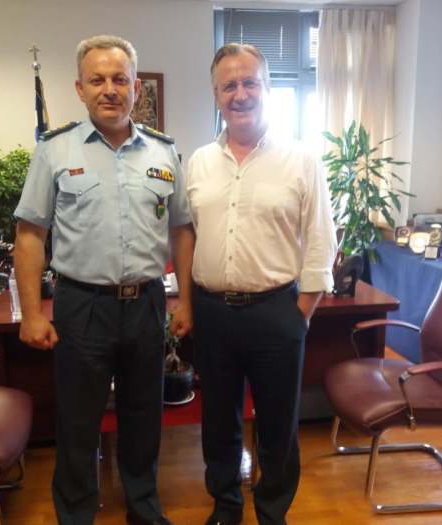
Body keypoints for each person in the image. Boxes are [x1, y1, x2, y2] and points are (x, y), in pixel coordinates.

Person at [13, 35, 194, 525]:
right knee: (78, 420)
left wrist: (186, 301)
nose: (109, 89)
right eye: (97, 80)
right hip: (81, 304)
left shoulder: (163, 152)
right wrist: (31, 313)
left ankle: (144, 509)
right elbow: (30, 235)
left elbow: (181, 229)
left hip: (147, 303)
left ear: (136, 88)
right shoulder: (54, 151)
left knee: (144, 416)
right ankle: (75, 514)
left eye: (120, 79)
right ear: (80, 88)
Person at [186, 43, 337, 525]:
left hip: (277, 312)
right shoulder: (198, 162)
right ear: (216, 95)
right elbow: (189, 235)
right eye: (228, 85)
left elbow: (321, 239)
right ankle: (226, 506)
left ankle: (273, 512)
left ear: (267, 88)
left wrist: (302, 312)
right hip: (213, 312)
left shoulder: (301, 159)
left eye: (250, 82)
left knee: (277, 425)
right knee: (218, 422)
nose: (240, 94)